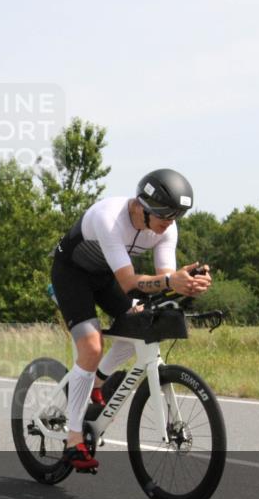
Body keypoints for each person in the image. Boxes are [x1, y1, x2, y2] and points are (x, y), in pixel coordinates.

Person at [50, 168, 212, 471]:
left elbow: (164, 277)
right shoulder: (110, 218)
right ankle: (73, 441)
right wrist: (169, 283)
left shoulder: (167, 228)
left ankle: (93, 382)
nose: (169, 225)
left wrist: (187, 282)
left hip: (106, 276)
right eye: (165, 218)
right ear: (144, 208)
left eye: (175, 218)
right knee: (91, 346)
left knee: (140, 326)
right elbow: (128, 282)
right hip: (72, 275)